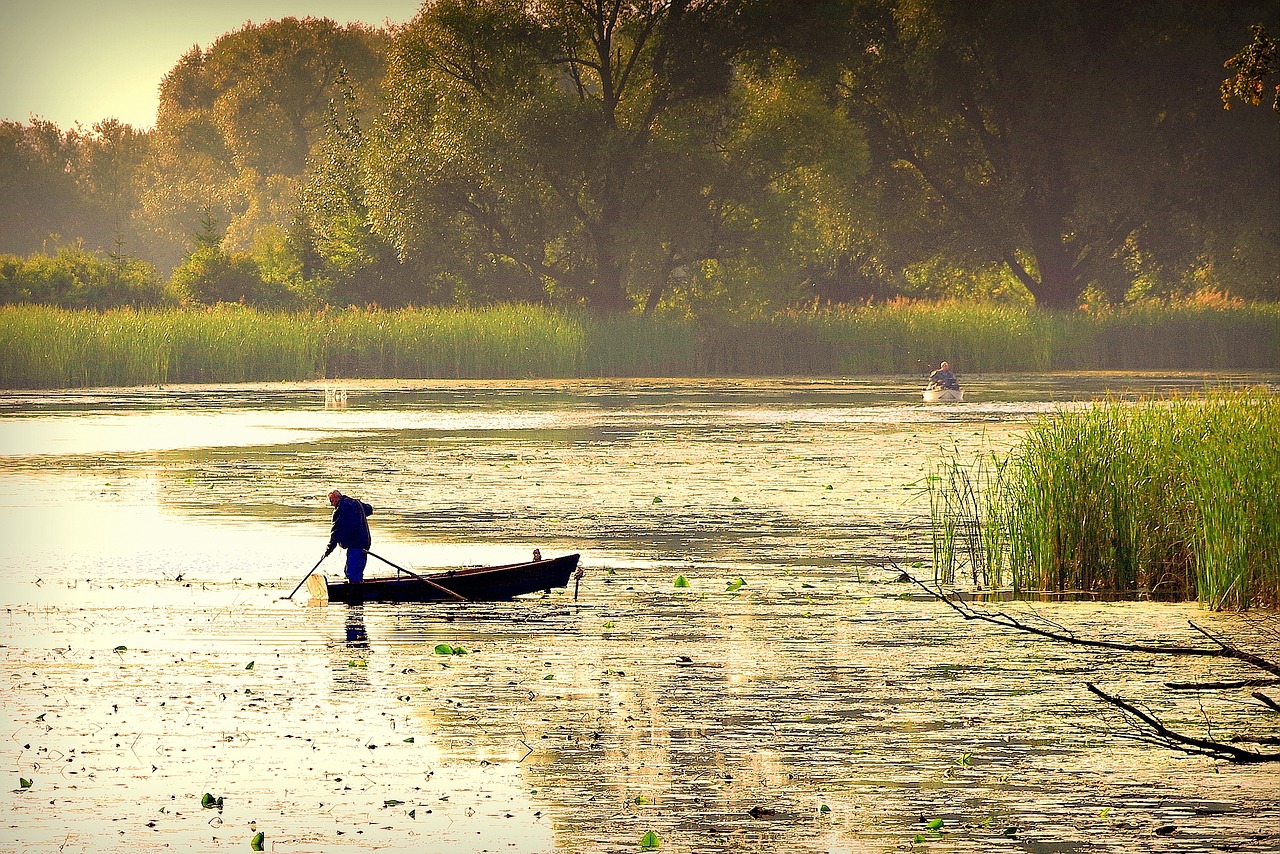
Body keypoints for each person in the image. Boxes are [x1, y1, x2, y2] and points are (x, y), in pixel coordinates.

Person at [323, 490, 374, 583]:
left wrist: (328, 550)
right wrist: (358, 506)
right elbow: (369, 509)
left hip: (354, 544)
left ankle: (354, 593)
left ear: (337, 498)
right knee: (357, 572)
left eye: (332, 501)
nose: (331, 504)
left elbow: (335, 532)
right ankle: (360, 590)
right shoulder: (356, 503)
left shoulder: (340, 509)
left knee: (350, 572)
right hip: (365, 543)